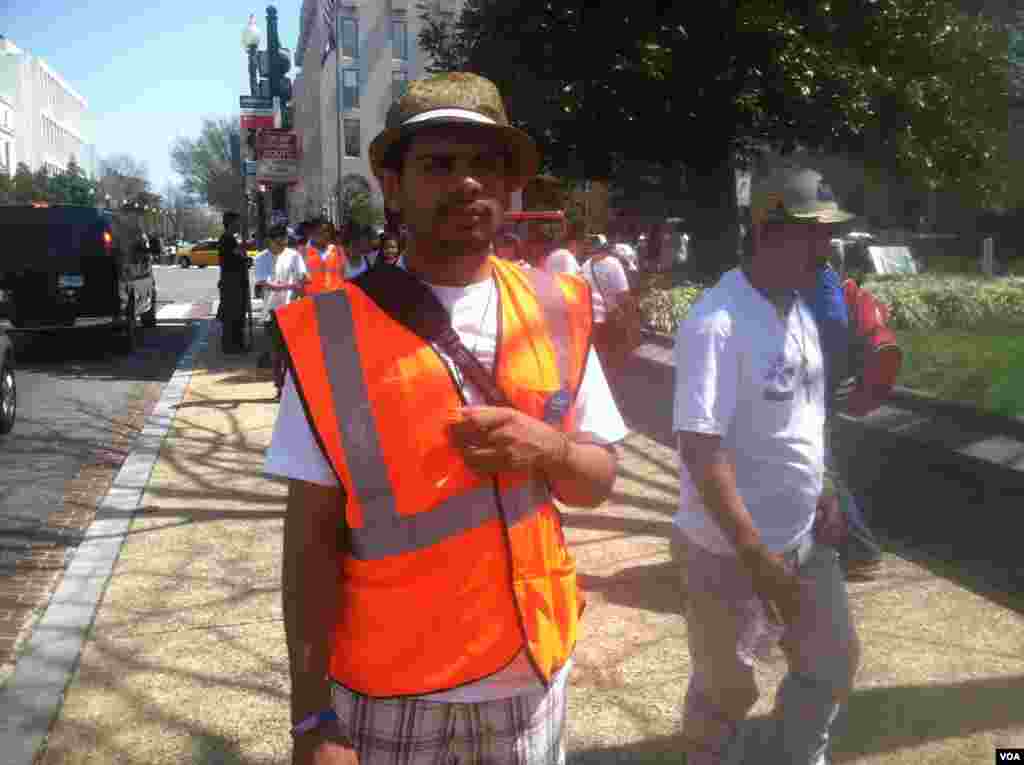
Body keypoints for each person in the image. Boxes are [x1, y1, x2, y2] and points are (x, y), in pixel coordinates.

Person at [265, 70, 626, 765]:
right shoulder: (333, 334)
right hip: (389, 695)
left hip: (529, 683)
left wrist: (550, 448)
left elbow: (596, 480)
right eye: (439, 165)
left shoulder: (557, 308)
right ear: (393, 185)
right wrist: (311, 714)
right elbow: (307, 546)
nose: (467, 184)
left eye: (485, 165)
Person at [673, 165, 860, 765]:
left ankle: (796, 755)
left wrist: (825, 485)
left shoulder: (800, 307)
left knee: (831, 661)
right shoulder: (718, 321)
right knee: (724, 692)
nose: (825, 249)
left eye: (827, 235)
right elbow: (701, 451)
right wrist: (758, 560)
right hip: (726, 554)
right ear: (767, 233)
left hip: (803, 544)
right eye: (813, 235)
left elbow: (805, 414)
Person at [802, 260, 884, 582]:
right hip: (820, 380)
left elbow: (834, 326)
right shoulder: (818, 271)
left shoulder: (817, 273)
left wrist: (824, 376)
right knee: (821, 461)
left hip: (817, 383)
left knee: (821, 463)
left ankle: (861, 550)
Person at [253, 224, 308, 397]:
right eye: (279, 242)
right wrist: (292, 285)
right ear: (270, 241)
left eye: (285, 241)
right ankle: (280, 386)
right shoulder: (261, 258)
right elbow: (266, 283)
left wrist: (304, 279)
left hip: (292, 308)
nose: (283, 245)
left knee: (293, 351)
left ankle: (294, 389)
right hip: (272, 311)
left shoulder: (294, 255)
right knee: (277, 352)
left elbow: (303, 277)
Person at [581, 241, 633, 381]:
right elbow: (623, 295)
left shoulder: (585, 265)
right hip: (610, 319)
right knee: (613, 358)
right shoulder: (613, 263)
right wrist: (630, 314)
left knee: (597, 358)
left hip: (591, 318)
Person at [217, 211, 250, 354]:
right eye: (237, 223)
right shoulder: (227, 239)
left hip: (235, 282)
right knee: (233, 315)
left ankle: (235, 344)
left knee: (237, 314)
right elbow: (232, 261)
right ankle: (232, 345)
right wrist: (245, 261)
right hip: (232, 283)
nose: (239, 226)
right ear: (230, 224)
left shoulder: (230, 239)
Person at [303, 219, 345, 295]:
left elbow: (344, 276)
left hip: (336, 299)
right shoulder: (302, 253)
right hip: (311, 300)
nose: (321, 233)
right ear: (311, 232)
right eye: (318, 230)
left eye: (326, 230)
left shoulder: (338, 251)